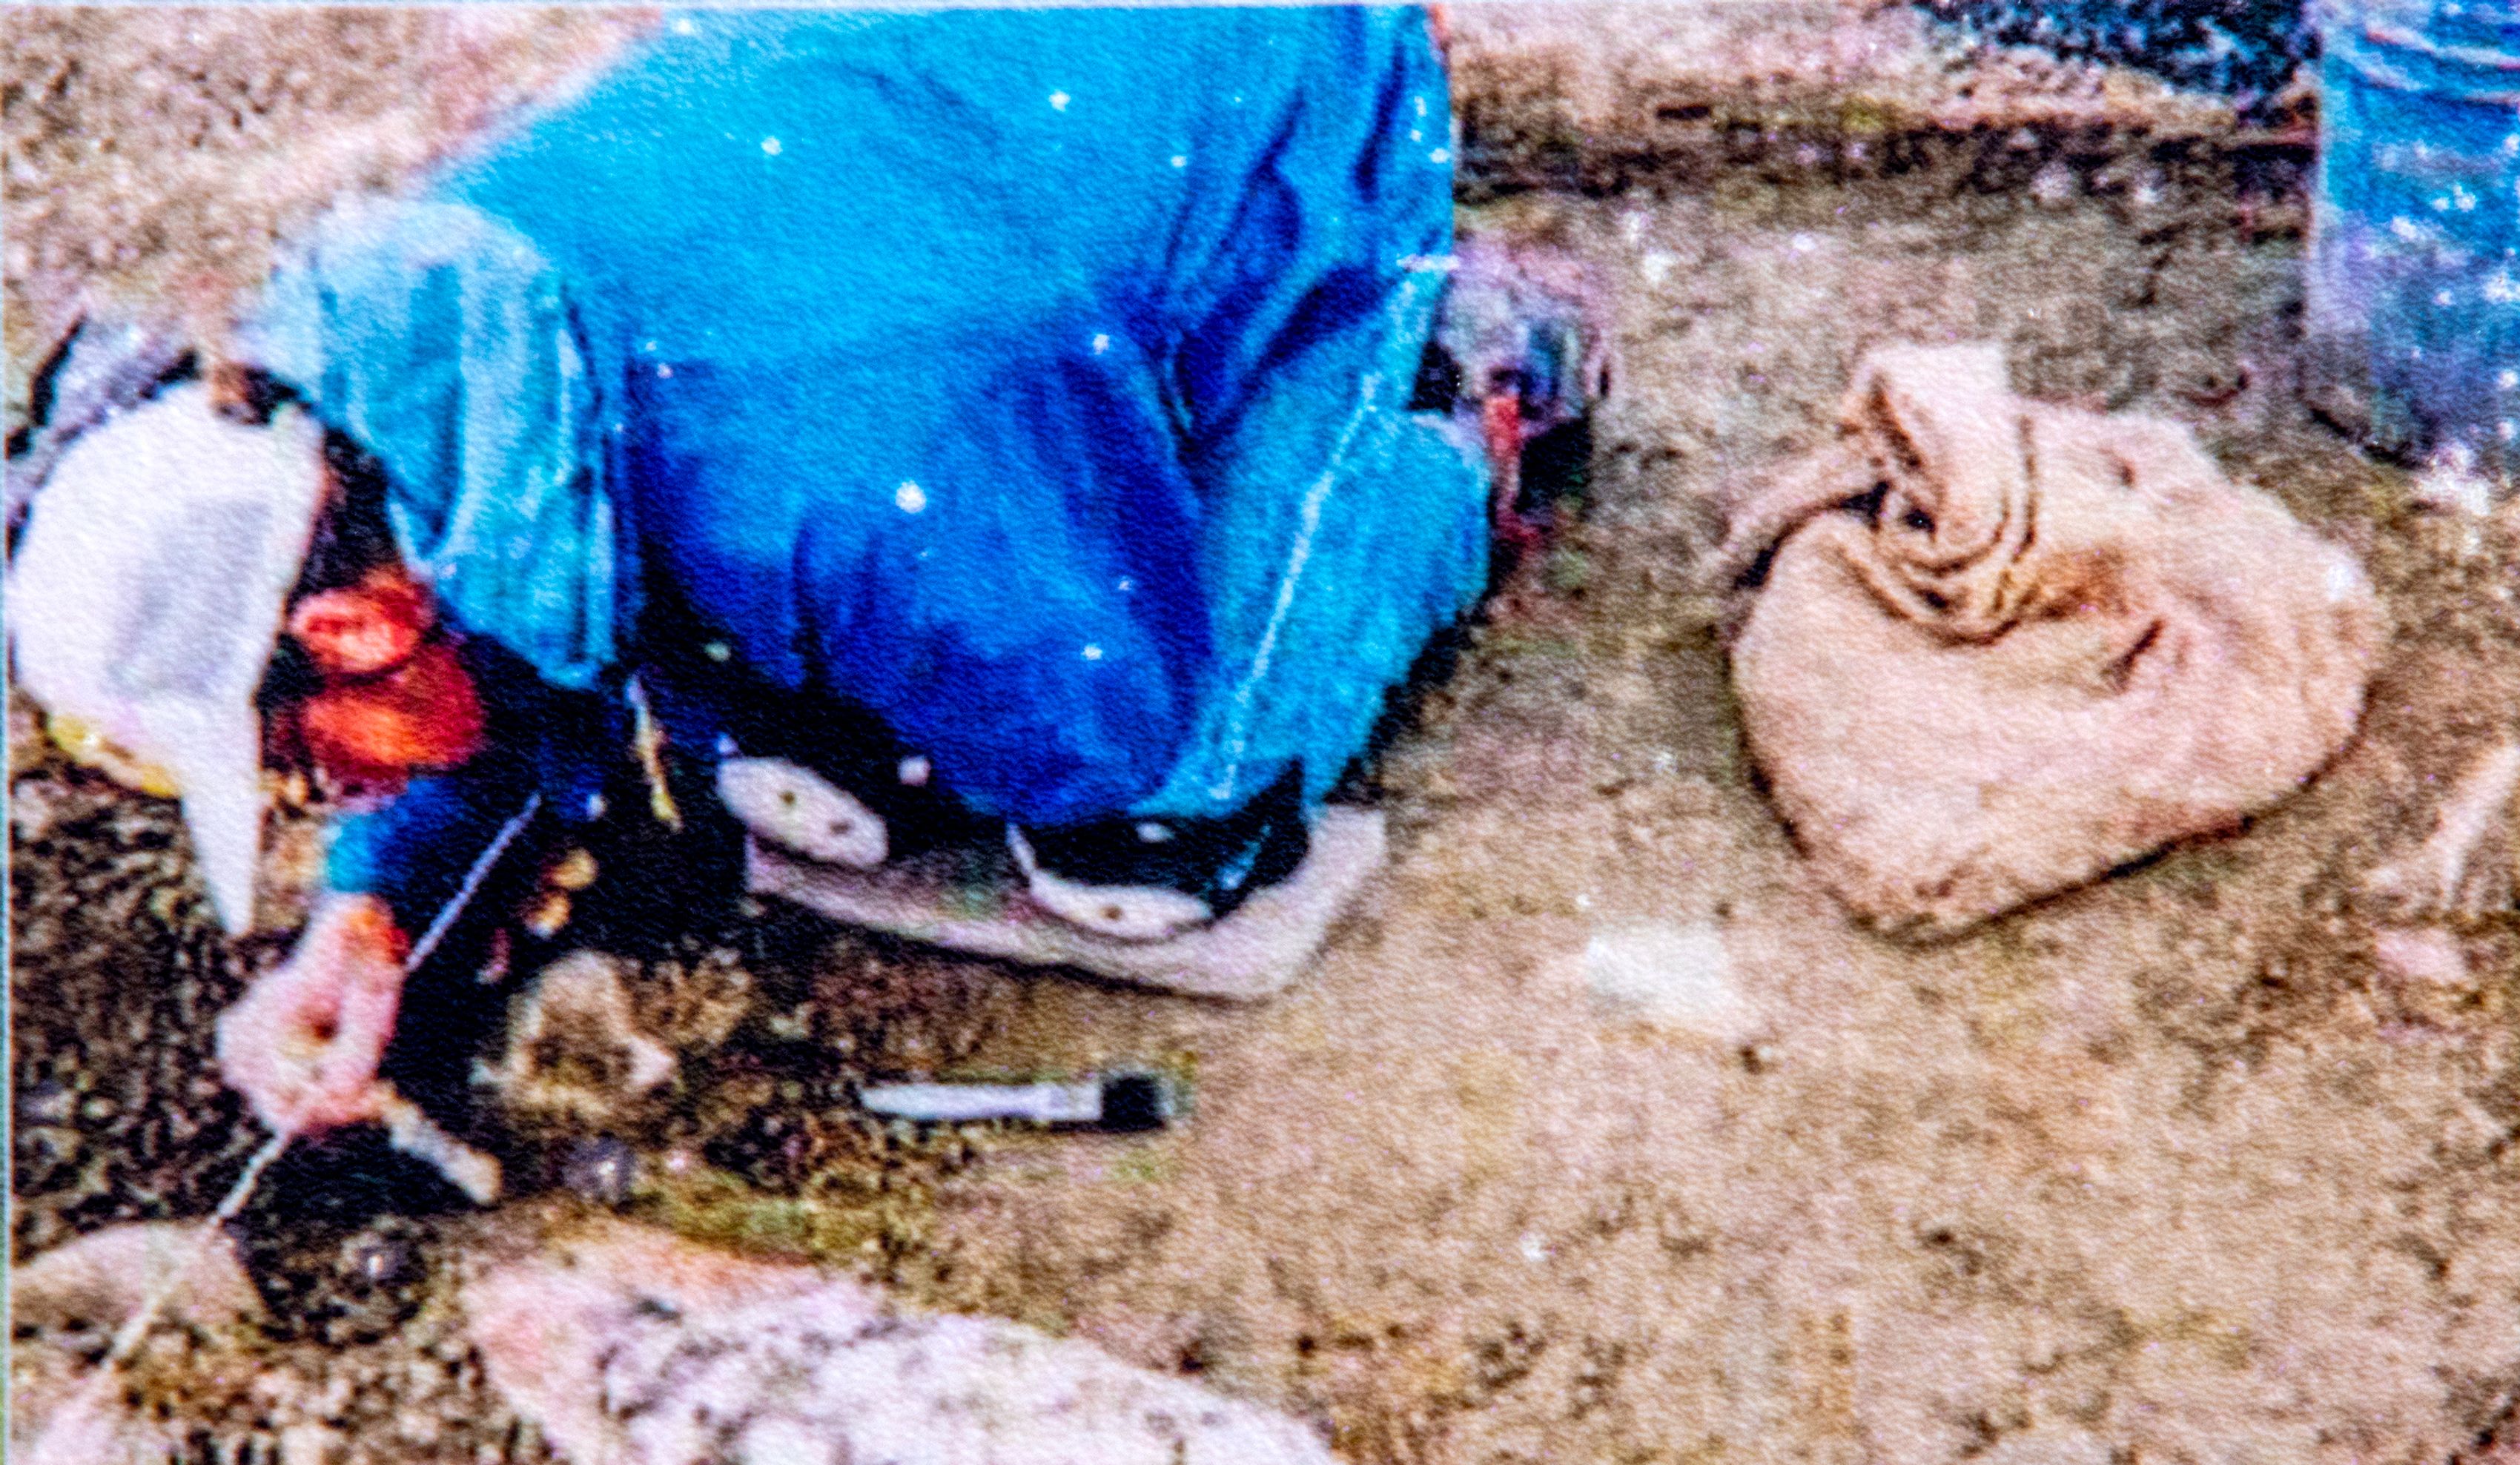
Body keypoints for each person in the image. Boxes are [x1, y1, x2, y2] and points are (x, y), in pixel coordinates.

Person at [12, 7, 1581, 1143]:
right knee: (808, 732)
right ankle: (1119, 402)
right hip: (983, 149)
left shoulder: (834, 487)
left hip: (1284, 97)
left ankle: (1461, 386)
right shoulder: (406, 382)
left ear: (344, 626)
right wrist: (372, 915)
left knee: (1146, 826)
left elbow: (1097, 704)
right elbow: (502, 627)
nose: (322, 807)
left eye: (298, 772)